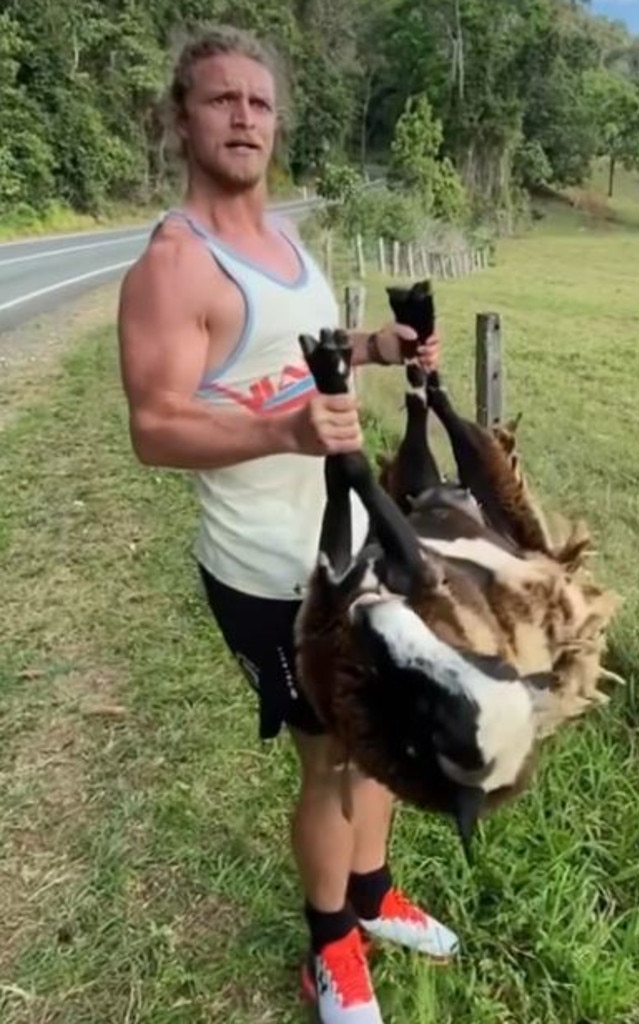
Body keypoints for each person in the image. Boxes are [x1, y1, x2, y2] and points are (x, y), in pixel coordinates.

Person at [117, 23, 459, 1024]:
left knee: (382, 726)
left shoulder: (286, 244)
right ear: (182, 117)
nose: (244, 117)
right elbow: (155, 427)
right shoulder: (176, 265)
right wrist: (282, 426)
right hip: (267, 571)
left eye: (259, 103)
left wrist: (375, 343)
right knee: (329, 755)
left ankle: (371, 891)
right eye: (221, 99)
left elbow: (307, 352)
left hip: (348, 543)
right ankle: (329, 946)